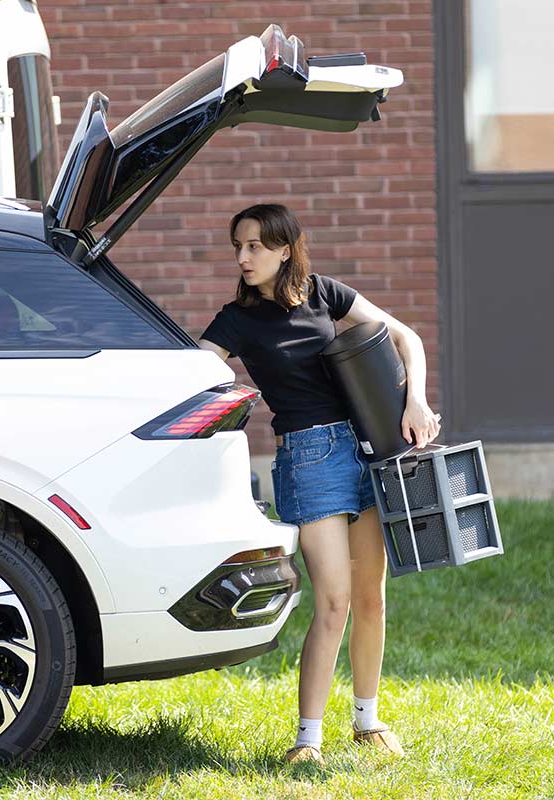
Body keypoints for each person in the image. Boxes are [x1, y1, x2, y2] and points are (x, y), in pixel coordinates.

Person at [198, 204, 440, 763]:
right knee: (333, 602)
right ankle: (308, 738)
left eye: (256, 245)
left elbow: (406, 339)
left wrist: (416, 400)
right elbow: (196, 368)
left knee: (371, 599)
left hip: (366, 448)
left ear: (286, 249)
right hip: (309, 459)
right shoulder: (235, 320)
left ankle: (368, 721)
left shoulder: (324, 294)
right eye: (238, 245)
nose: (243, 256)